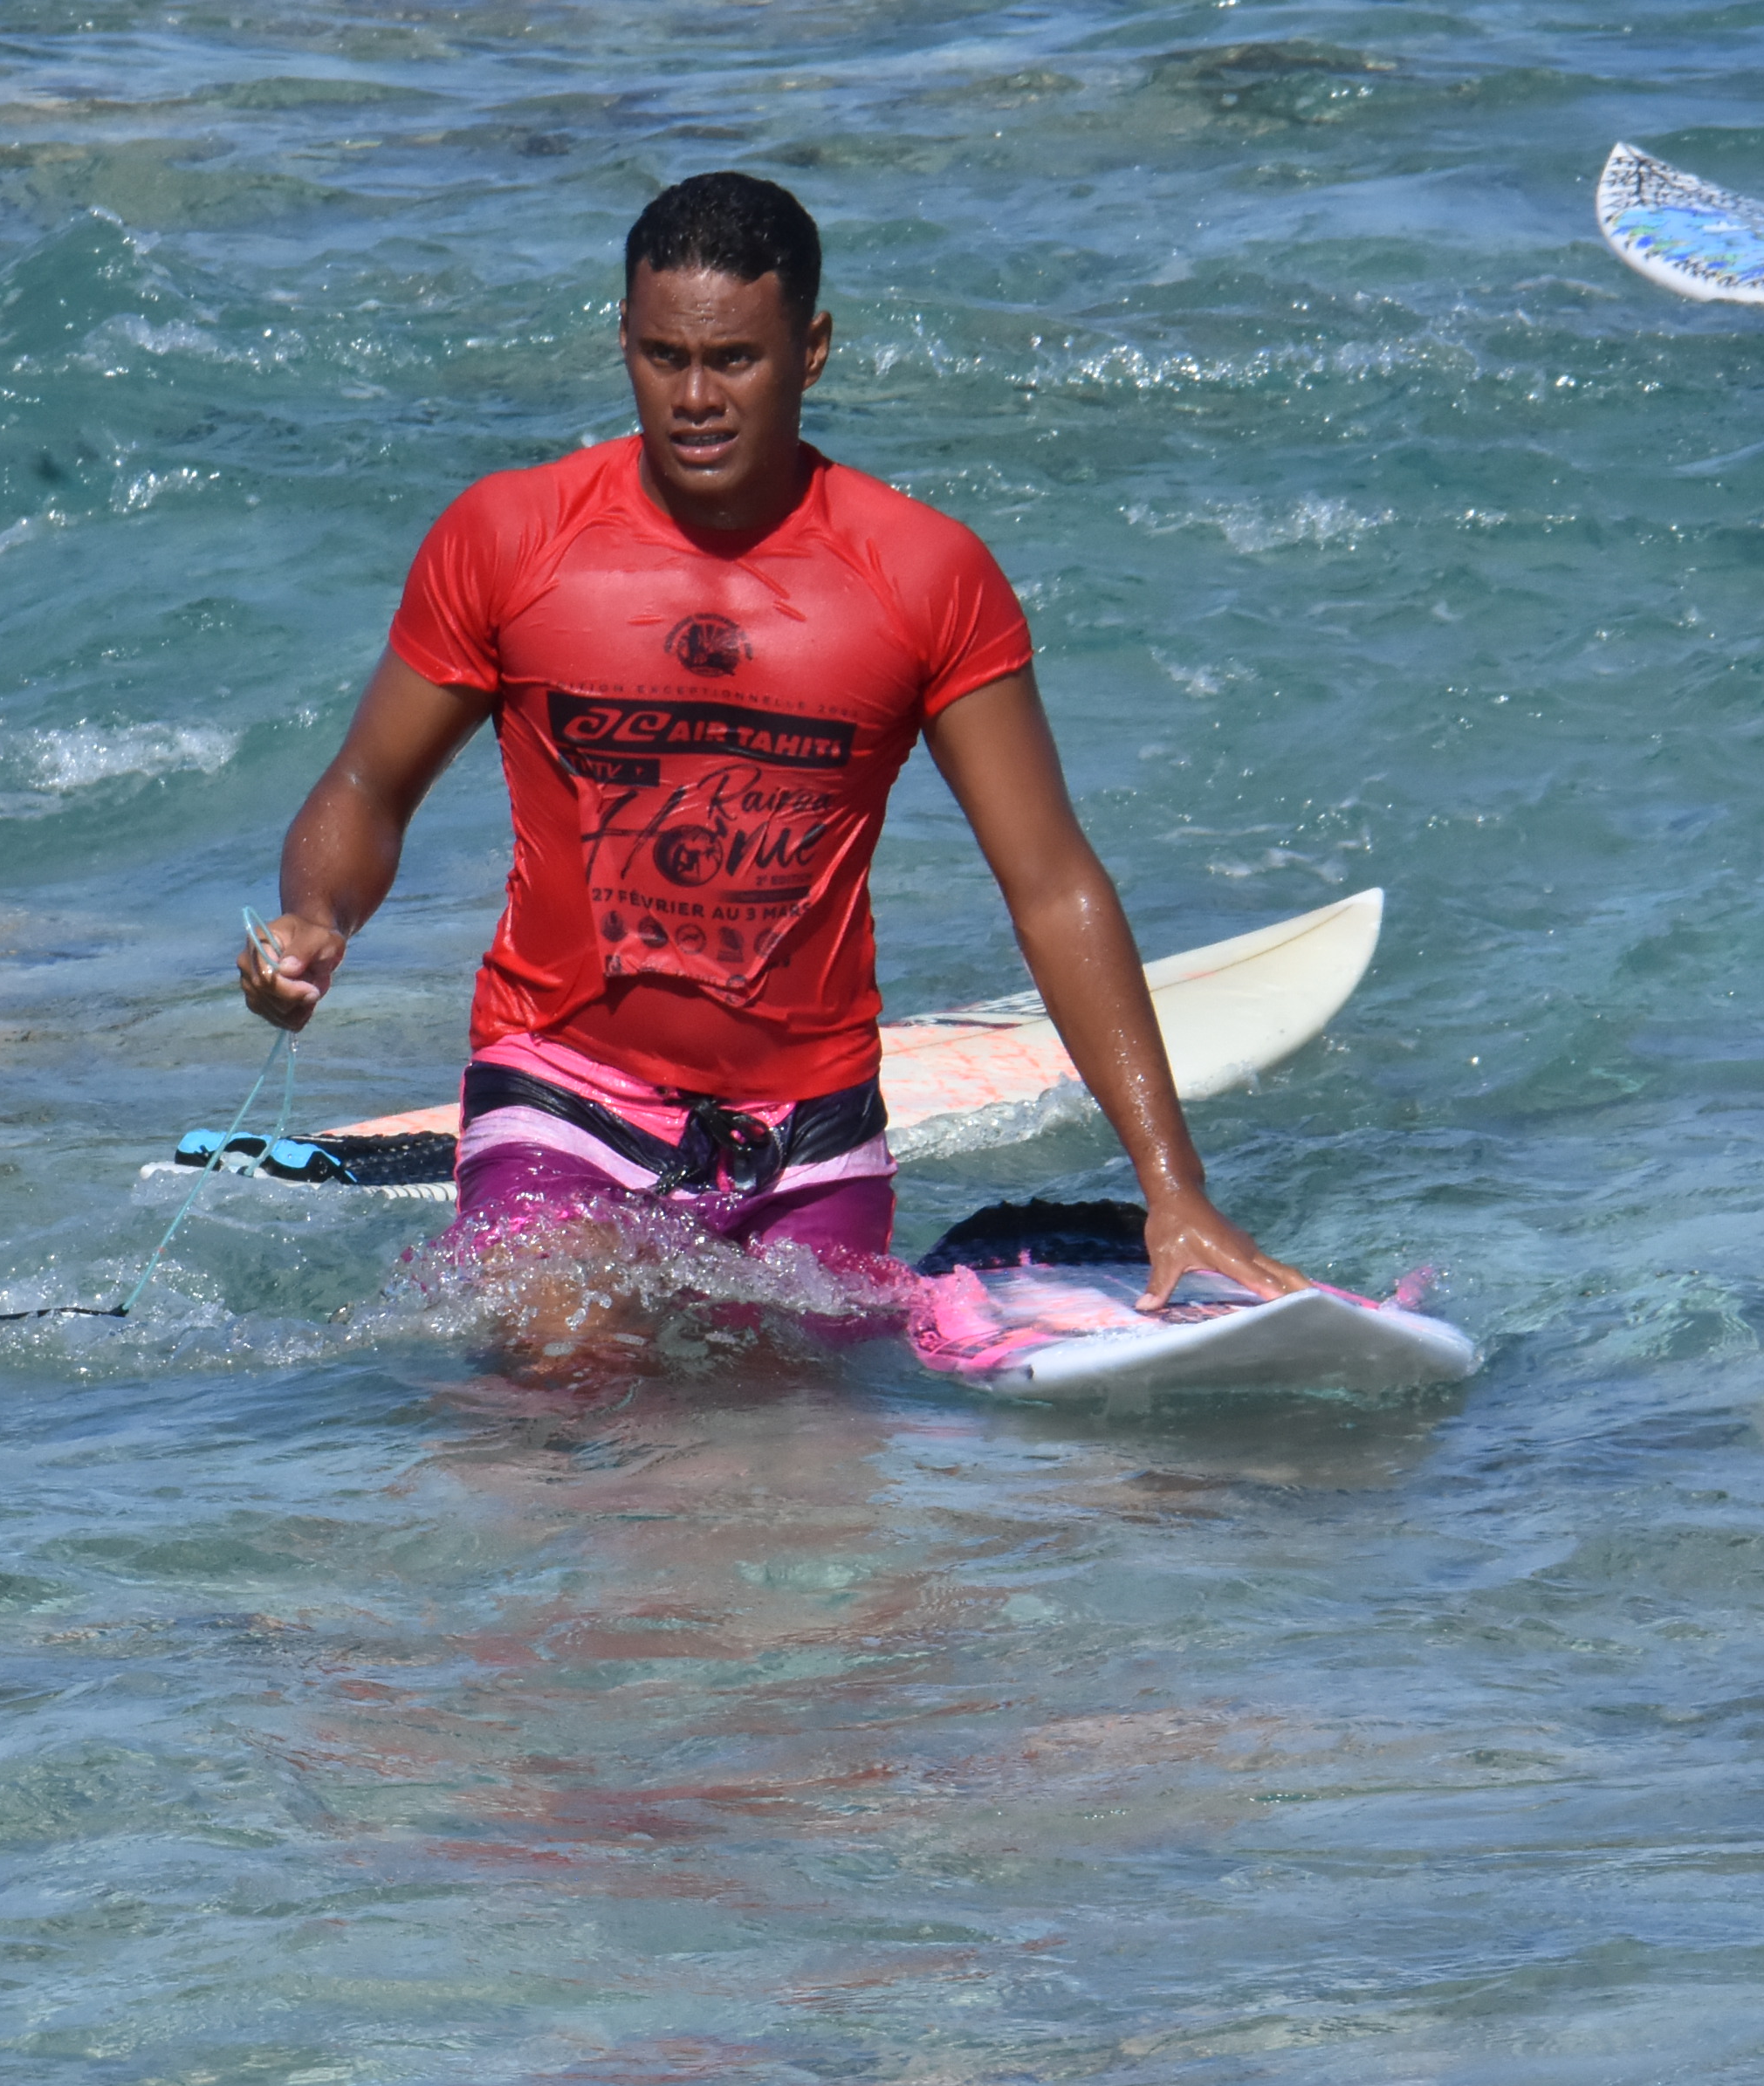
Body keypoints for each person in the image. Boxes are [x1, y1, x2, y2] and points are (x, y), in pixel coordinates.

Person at [239, 171, 1302, 1315]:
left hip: (811, 1137)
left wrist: (1173, 1188)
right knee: (563, 1368)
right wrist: (318, 919)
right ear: (625, 343)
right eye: (661, 356)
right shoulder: (511, 541)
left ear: (814, 348)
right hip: (559, 1095)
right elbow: (368, 782)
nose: (695, 396)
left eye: (734, 359)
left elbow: (1049, 882)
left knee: (802, 1472)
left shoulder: (924, 576)